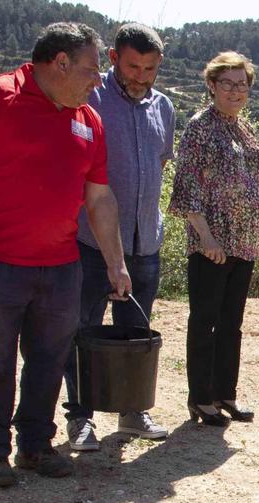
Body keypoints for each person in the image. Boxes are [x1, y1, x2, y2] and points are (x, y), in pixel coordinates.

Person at [0, 21, 132, 489]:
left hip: (61, 266)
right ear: (59, 63)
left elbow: (100, 198)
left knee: (49, 357)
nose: (98, 80)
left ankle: (36, 446)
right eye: (89, 69)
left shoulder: (89, 120)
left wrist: (115, 261)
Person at [65, 22, 176, 450]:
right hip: (90, 242)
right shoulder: (88, 99)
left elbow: (159, 165)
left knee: (136, 334)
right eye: (133, 66)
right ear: (113, 58)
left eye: (150, 68)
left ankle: (132, 412)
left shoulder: (163, 107)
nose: (142, 76)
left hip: (145, 242)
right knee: (83, 331)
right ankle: (80, 418)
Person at [168, 51, 259, 427]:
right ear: (211, 85)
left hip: (243, 242)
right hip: (212, 243)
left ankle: (225, 393)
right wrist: (206, 236)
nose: (235, 91)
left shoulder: (244, 128)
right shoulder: (201, 126)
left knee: (232, 322)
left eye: (241, 84)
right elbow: (189, 185)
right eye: (227, 83)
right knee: (205, 320)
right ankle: (201, 398)